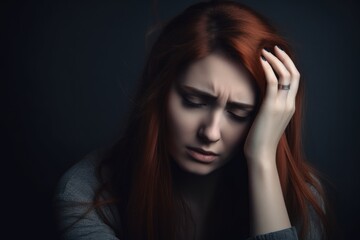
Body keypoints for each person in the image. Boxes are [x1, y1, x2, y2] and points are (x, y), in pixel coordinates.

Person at [54, 1, 330, 239]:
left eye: (238, 113)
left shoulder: (299, 196)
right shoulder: (87, 193)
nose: (210, 132)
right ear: (159, 92)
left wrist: (262, 160)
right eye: (193, 101)